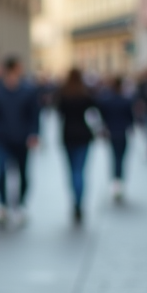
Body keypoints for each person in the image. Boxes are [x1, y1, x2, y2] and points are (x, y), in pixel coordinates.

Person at [0, 56, 41, 226]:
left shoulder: (28, 90)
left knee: (22, 173)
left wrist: (34, 134)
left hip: (22, 139)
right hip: (1, 139)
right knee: (0, 171)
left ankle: (20, 204)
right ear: (12, 69)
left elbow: (34, 115)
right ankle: (1, 204)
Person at [54, 68, 96, 225]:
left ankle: (75, 200)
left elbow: (58, 112)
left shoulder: (63, 94)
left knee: (72, 171)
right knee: (80, 170)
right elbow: (94, 110)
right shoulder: (84, 94)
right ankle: (79, 202)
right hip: (83, 135)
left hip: (68, 135)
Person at [96, 76, 135, 202]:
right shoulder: (125, 100)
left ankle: (116, 182)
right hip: (122, 133)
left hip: (111, 133)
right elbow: (130, 118)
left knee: (114, 157)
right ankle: (119, 181)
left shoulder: (107, 100)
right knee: (121, 158)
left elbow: (102, 116)